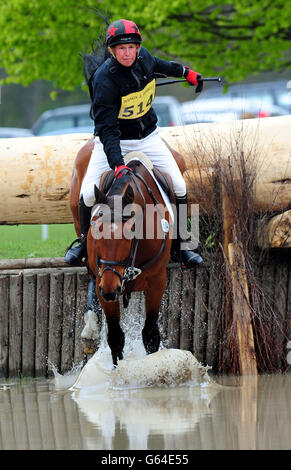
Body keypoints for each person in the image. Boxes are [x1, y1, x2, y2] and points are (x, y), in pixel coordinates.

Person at [65, 18, 203, 268]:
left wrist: (186, 73)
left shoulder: (144, 58)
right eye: (121, 49)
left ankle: (184, 244)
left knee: (180, 186)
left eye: (131, 47)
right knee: (86, 194)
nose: (127, 53)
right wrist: (117, 164)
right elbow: (107, 130)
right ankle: (85, 243)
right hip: (113, 141)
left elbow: (162, 66)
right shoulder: (104, 80)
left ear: (138, 48)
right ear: (111, 51)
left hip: (148, 138)